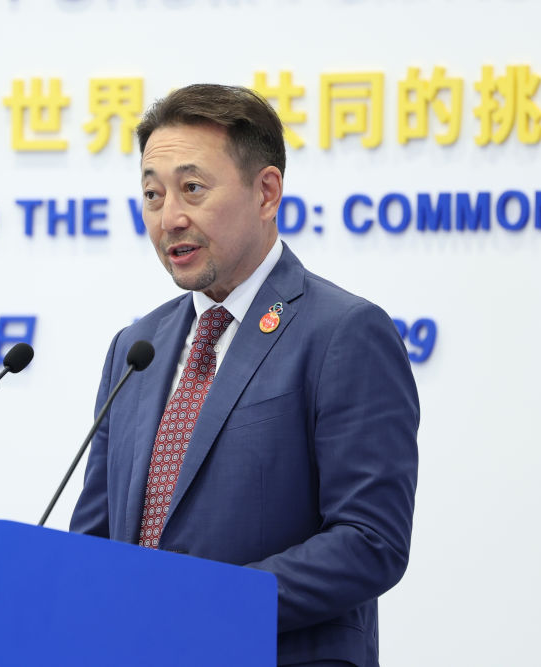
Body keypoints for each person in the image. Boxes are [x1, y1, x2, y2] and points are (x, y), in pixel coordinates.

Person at [70, 84, 419, 667]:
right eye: (152, 194)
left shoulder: (342, 333)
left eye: (192, 188)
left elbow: (370, 541)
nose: (169, 218)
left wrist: (201, 605)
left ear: (266, 192)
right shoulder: (135, 349)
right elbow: (95, 543)